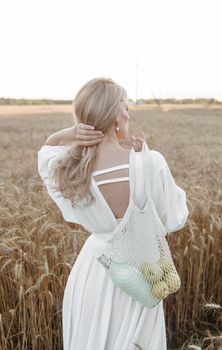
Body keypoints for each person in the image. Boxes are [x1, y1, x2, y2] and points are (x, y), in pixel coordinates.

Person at [37, 77, 189, 350]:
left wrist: (69, 134)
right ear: (118, 116)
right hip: (141, 278)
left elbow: (47, 153)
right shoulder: (150, 163)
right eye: (127, 108)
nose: (128, 114)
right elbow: (174, 217)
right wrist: (145, 162)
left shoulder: (67, 167)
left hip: (92, 274)